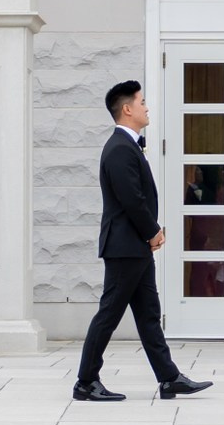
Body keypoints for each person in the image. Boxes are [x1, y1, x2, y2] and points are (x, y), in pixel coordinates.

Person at [75, 79, 214, 404]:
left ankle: (169, 378)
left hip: (133, 246)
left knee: (149, 313)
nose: (146, 106)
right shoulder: (120, 149)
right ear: (127, 109)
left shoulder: (126, 146)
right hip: (125, 248)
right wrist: (153, 231)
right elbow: (132, 200)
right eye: (141, 102)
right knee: (109, 314)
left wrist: (149, 234)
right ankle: (85, 381)